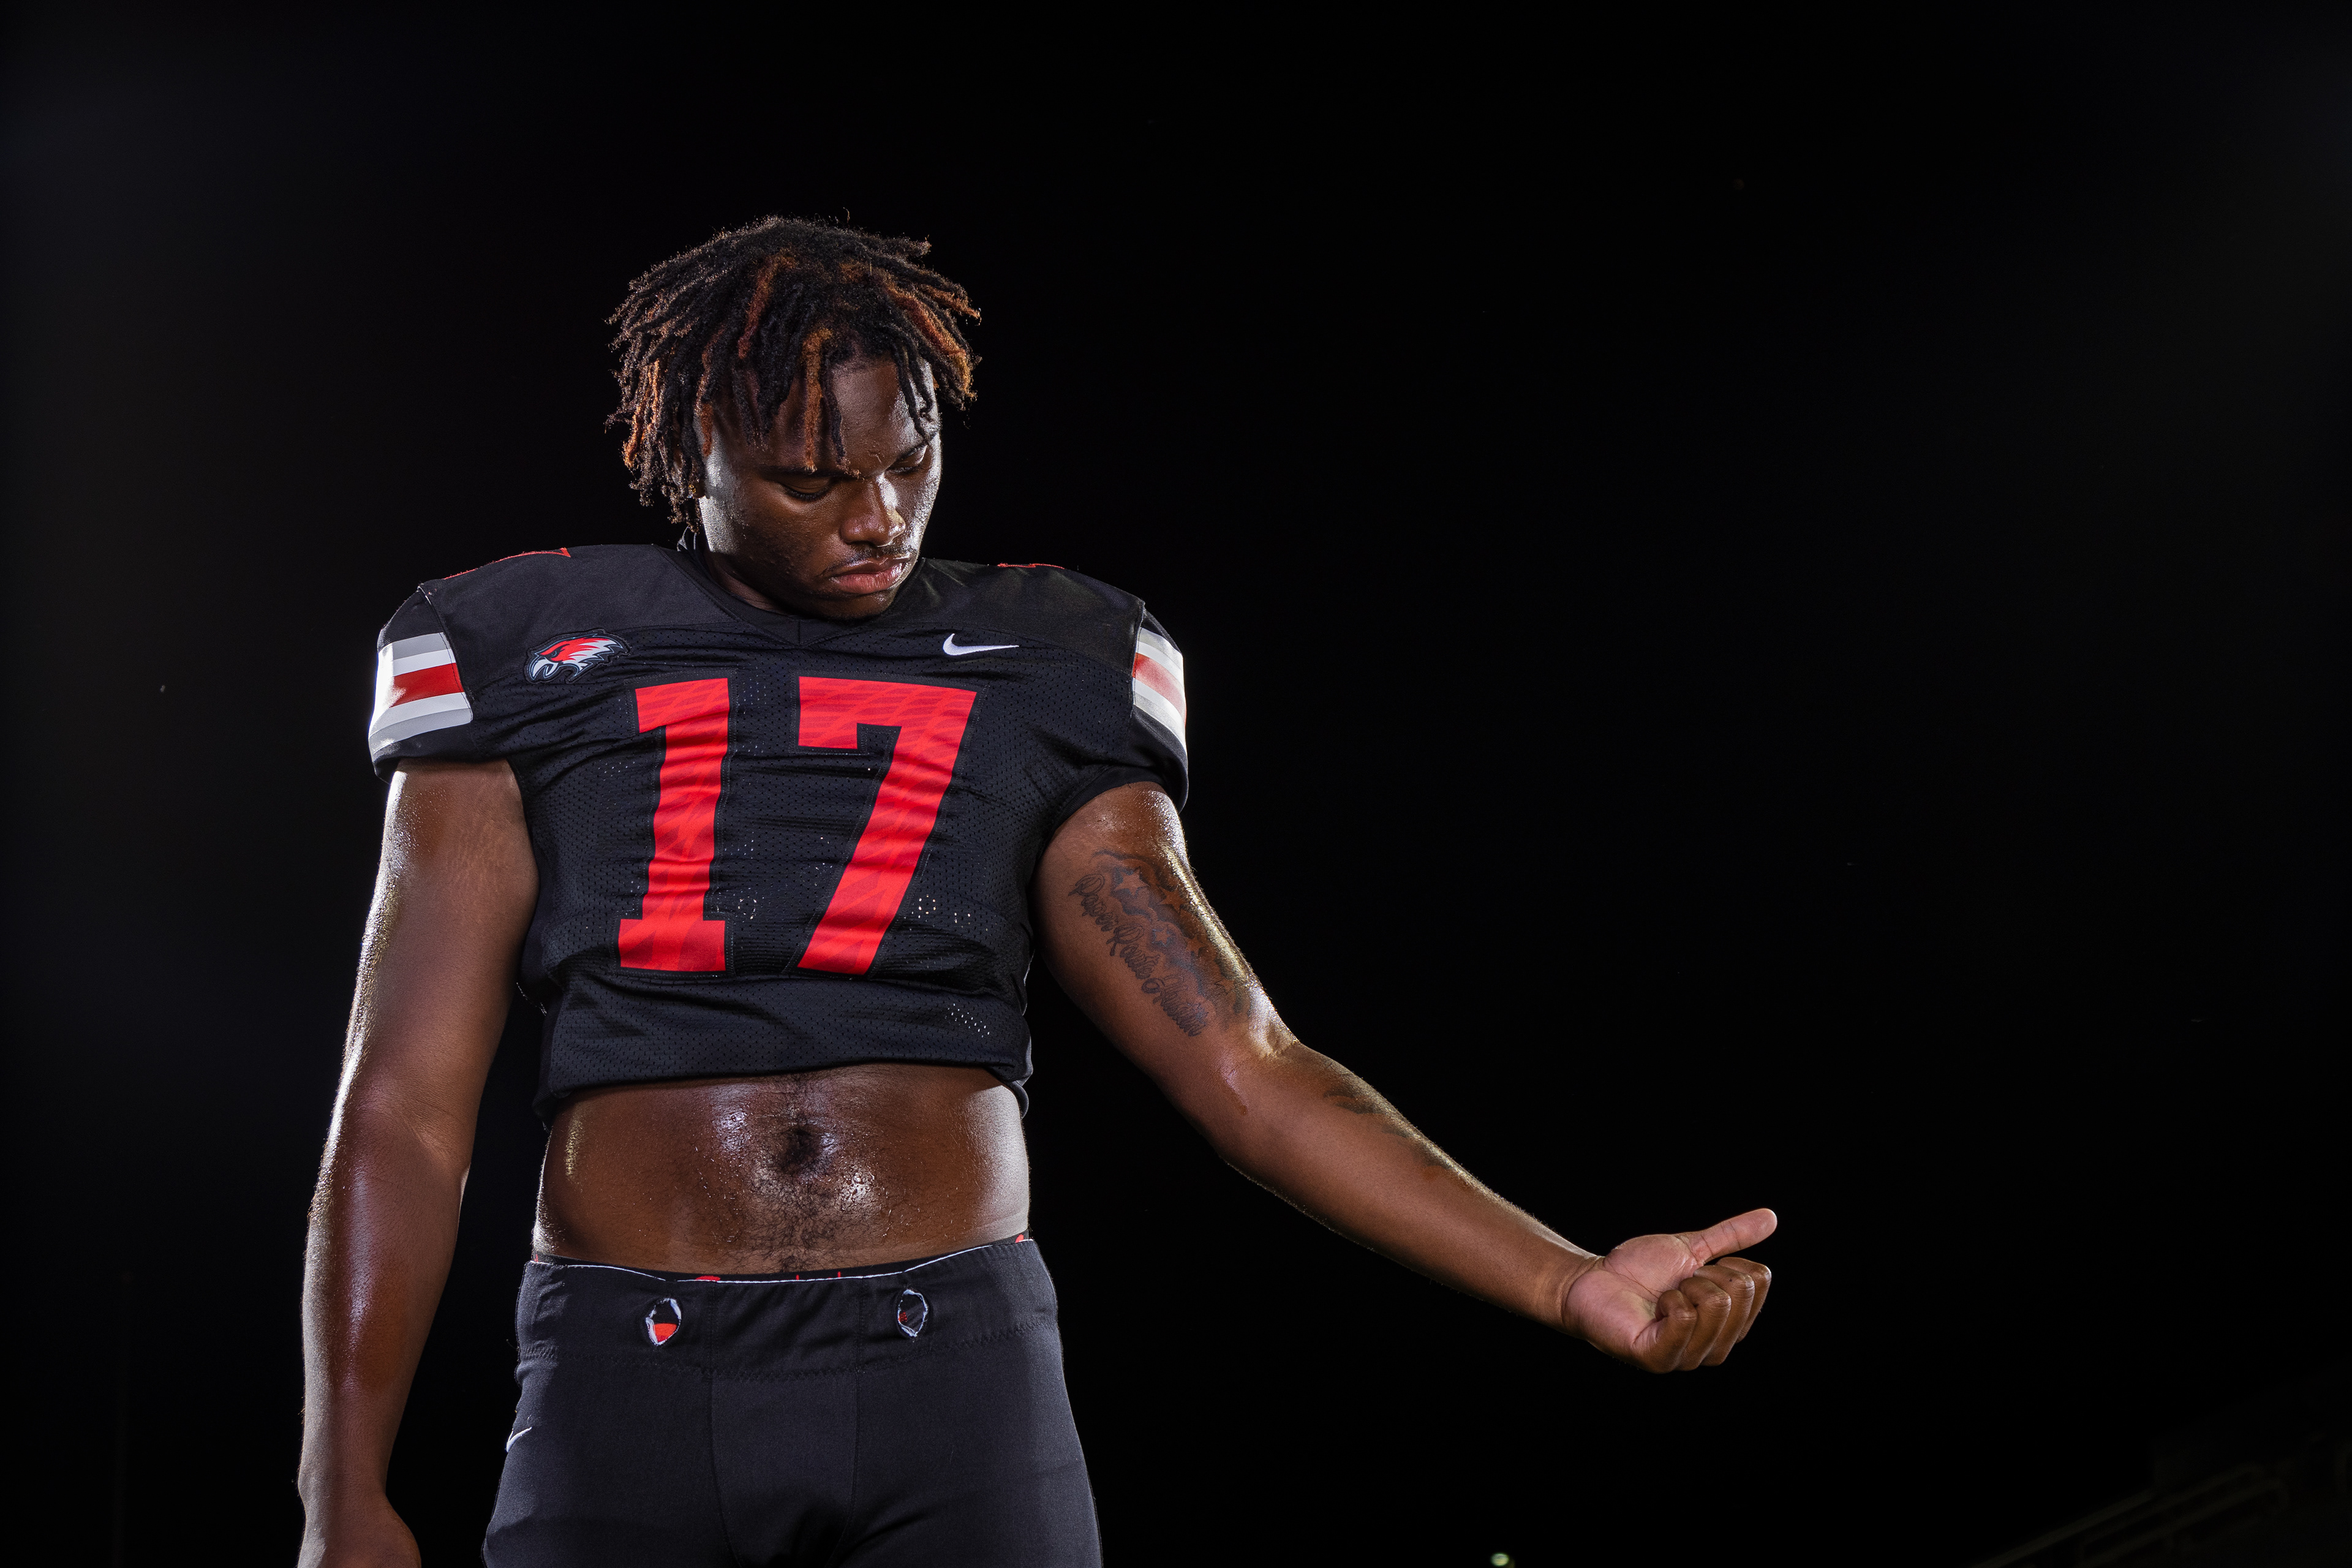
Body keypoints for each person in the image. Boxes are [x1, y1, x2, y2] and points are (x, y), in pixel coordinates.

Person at [297, 217, 1776, 1568]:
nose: (879, 516)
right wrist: (342, 1487)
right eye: (814, 480)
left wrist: (1566, 1277)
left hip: (955, 1378)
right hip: (628, 1366)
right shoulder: (516, 645)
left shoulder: (1053, 658)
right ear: (696, 449)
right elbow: (406, 1104)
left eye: (911, 459)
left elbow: (1244, 1063)